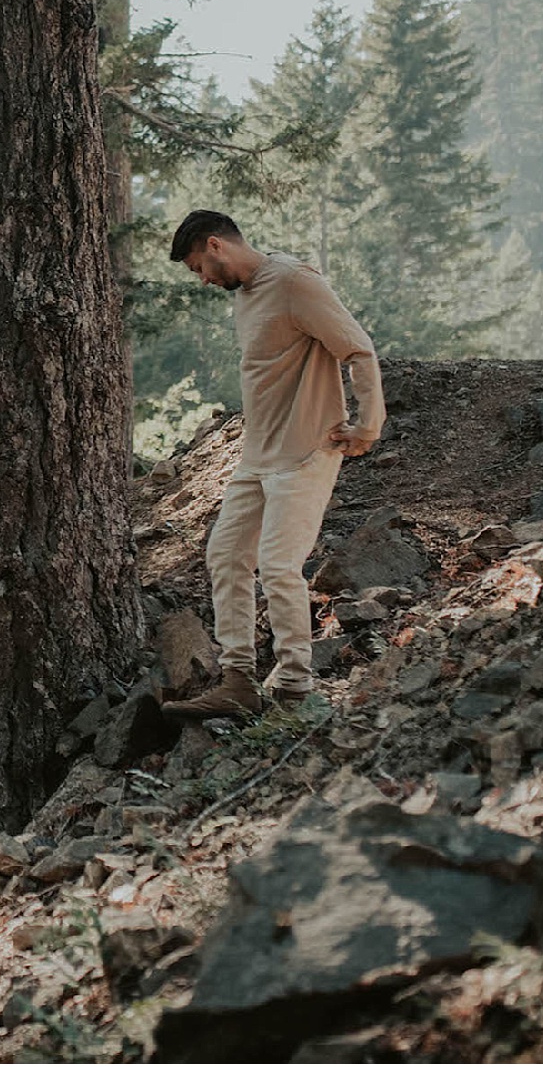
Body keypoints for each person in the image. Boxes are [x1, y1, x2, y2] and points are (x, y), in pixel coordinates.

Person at [164, 210, 385, 719]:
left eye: (199, 266)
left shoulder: (294, 281)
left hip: (305, 449)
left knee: (280, 566)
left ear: (216, 245)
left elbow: (358, 349)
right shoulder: (245, 295)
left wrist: (367, 425)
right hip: (257, 455)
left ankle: (294, 688)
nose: (201, 279)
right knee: (225, 555)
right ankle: (238, 681)